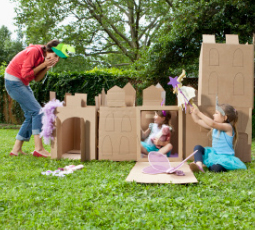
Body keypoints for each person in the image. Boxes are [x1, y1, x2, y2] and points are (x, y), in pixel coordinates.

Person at [5, 39, 60, 157]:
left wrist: (46, 67)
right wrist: (44, 64)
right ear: (48, 50)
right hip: (13, 82)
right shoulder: (34, 52)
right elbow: (25, 74)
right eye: (55, 55)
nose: (56, 59)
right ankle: (38, 148)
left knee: (31, 114)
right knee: (37, 112)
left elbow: (36, 78)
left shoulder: (43, 57)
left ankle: (16, 150)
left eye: (58, 57)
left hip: (22, 83)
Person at [189, 103, 247, 172]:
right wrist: (192, 110)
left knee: (215, 168)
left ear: (225, 117)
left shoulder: (228, 127)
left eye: (216, 113)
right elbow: (197, 121)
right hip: (213, 154)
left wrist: (199, 113)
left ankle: (206, 165)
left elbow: (212, 124)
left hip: (225, 158)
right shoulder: (214, 127)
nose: (213, 115)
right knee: (197, 148)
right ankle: (199, 165)